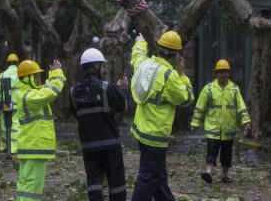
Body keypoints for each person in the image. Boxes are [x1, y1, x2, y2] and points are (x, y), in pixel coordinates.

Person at [130, 31, 194, 201]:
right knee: (148, 177)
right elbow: (186, 98)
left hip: (140, 131)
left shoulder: (145, 65)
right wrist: (182, 75)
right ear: (176, 55)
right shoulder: (169, 75)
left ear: (158, 48)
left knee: (158, 176)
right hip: (156, 135)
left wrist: (141, 42)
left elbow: (137, 56)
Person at [69, 48, 129, 201]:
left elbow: (75, 114)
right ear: (96, 65)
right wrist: (122, 90)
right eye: (102, 65)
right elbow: (123, 106)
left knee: (94, 183)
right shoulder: (105, 86)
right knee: (117, 183)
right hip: (110, 144)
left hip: (88, 145)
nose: (104, 69)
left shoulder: (73, 91)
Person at [190, 59, 252, 184]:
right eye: (221, 72)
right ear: (216, 73)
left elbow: (241, 107)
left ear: (229, 73)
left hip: (228, 128)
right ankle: (208, 172)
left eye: (226, 72)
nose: (223, 75)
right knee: (211, 151)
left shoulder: (234, 89)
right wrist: (195, 123)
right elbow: (200, 107)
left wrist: (246, 121)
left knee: (226, 154)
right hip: (213, 128)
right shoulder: (208, 89)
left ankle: (224, 176)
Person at [14, 58, 66, 201]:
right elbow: (50, 92)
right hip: (34, 147)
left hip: (30, 146)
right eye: (35, 76)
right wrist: (57, 74)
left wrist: (52, 75)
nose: (38, 79)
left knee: (26, 185)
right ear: (27, 78)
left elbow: (44, 90)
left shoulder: (26, 94)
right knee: (32, 187)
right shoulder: (28, 97)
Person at [0, 53, 21, 154]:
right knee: (15, 124)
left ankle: (4, 146)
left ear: (7, 63)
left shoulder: (3, 74)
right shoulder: (20, 73)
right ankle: (13, 148)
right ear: (17, 63)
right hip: (18, 101)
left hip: (6, 102)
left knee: (5, 123)